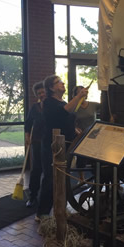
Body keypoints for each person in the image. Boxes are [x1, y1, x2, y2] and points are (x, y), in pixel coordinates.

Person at [35, 75, 88, 221]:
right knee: (50, 179)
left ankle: (61, 210)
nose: (62, 83)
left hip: (66, 146)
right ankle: (42, 213)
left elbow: (66, 117)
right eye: (58, 82)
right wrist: (78, 96)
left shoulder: (63, 102)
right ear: (51, 88)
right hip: (52, 146)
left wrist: (75, 129)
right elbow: (63, 112)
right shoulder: (48, 102)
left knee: (63, 179)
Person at [24, 81, 46, 208]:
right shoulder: (35, 107)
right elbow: (28, 124)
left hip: (51, 143)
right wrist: (27, 137)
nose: (42, 94)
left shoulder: (52, 106)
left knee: (50, 171)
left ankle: (50, 196)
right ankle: (33, 196)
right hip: (37, 142)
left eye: (43, 92)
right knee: (36, 169)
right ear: (37, 95)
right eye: (39, 93)